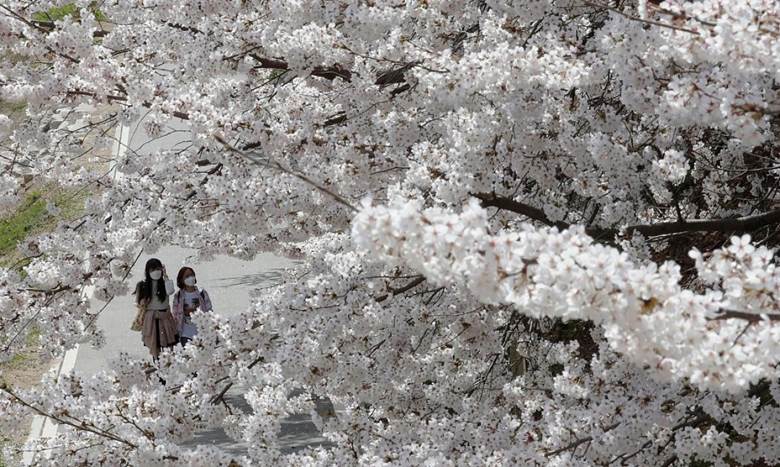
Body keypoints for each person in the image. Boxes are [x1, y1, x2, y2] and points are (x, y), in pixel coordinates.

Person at [135, 258, 178, 359]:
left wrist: (166, 276)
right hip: (151, 319)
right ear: (148, 271)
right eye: (153, 270)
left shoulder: (164, 283)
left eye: (158, 269)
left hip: (165, 317)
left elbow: (171, 291)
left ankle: (168, 364)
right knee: (155, 343)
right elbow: (139, 302)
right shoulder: (143, 285)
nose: (156, 272)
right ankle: (157, 364)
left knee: (168, 343)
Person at [172, 266, 213, 346]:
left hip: (201, 332)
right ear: (182, 280)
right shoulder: (178, 296)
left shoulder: (202, 293)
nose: (190, 278)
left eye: (192, 275)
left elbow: (209, 310)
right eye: (187, 276)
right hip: (185, 333)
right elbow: (175, 315)